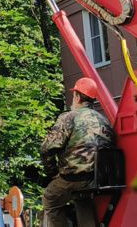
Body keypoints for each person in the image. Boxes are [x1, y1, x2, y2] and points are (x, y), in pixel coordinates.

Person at [40, 77, 115, 227]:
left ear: (78, 96)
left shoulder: (69, 117)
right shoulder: (104, 120)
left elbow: (46, 148)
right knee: (82, 198)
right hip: (96, 179)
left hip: (73, 177)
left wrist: (53, 173)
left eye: (74, 94)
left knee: (50, 198)